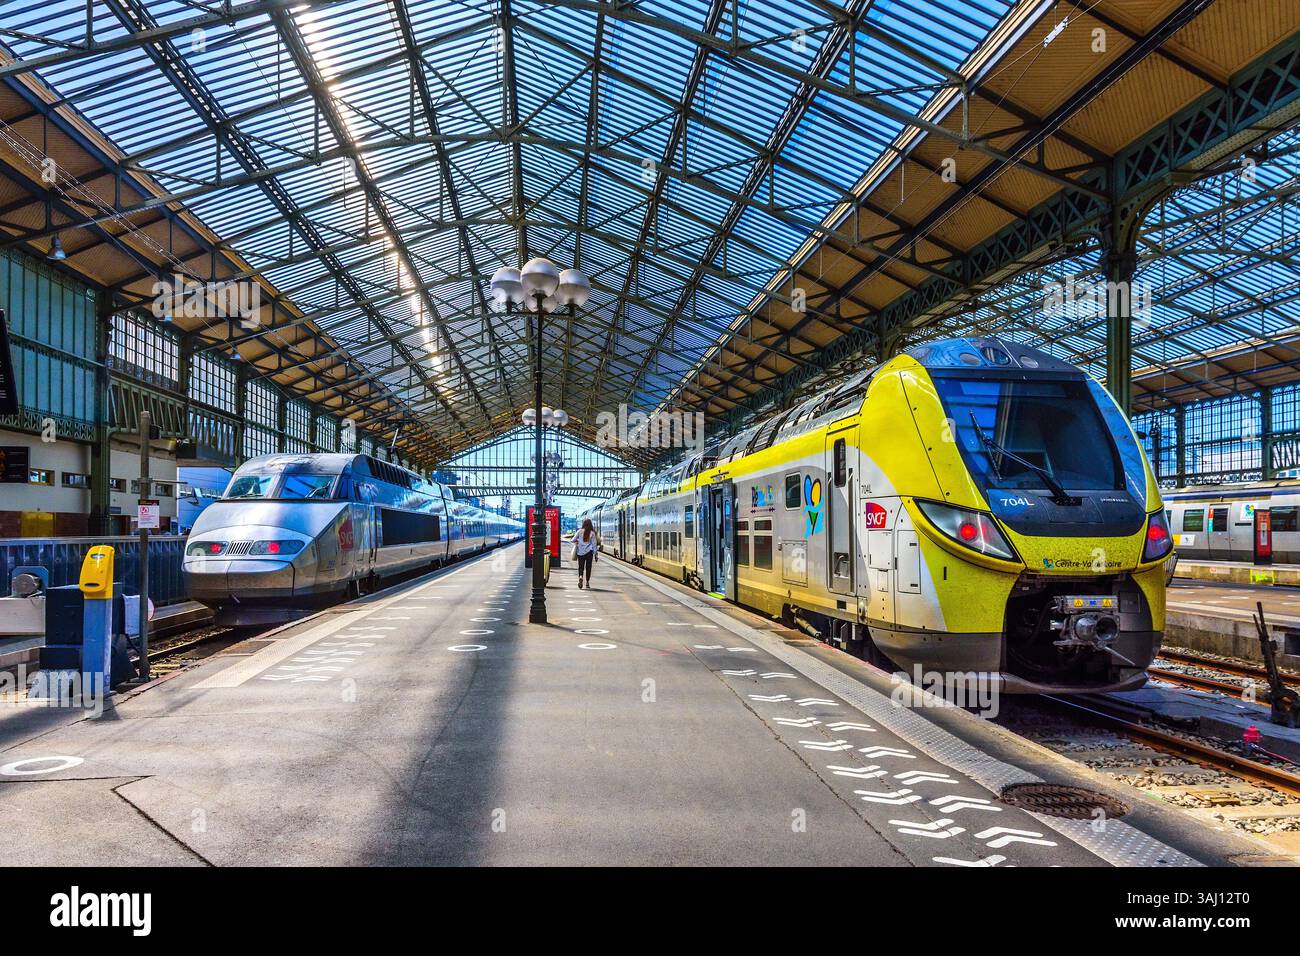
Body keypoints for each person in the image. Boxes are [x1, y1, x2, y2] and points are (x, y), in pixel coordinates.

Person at [573, 518, 600, 589]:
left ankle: (581, 576)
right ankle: (587, 582)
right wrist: (596, 554)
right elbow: (594, 545)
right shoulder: (592, 533)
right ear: (591, 525)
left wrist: (577, 541)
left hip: (580, 552)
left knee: (580, 567)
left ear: (583, 524)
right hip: (589, 553)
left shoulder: (579, 531)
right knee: (588, 567)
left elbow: (573, 540)